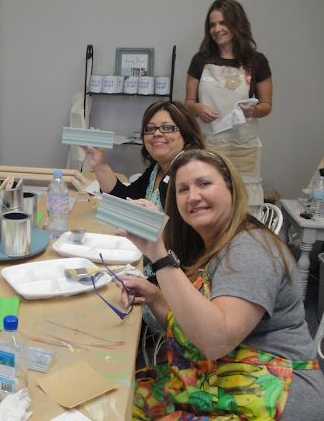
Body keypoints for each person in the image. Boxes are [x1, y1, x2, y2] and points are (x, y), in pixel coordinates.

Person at [117, 150, 324, 420]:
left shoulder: (251, 249)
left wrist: (160, 257)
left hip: (274, 395)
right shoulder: (208, 244)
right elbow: (194, 326)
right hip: (221, 376)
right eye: (183, 189)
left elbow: (215, 341)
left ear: (231, 189)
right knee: (120, 397)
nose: (193, 196)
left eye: (204, 184)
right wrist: (156, 297)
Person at [185, 0, 272, 207]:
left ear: (237, 24)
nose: (217, 29)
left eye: (223, 23)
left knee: (243, 205)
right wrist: (197, 108)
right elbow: (188, 103)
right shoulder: (201, 60)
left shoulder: (257, 61)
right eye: (212, 25)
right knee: (208, 200)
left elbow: (267, 105)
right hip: (209, 145)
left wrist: (253, 111)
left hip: (242, 148)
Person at [82, 100, 205, 211]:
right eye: (150, 129)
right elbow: (125, 197)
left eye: (167, 128)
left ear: (185, 134)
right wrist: (99, 164)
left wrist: (156, 220)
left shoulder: (190, 170)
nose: (157, 133)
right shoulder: (157, 168)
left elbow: (194, 224)